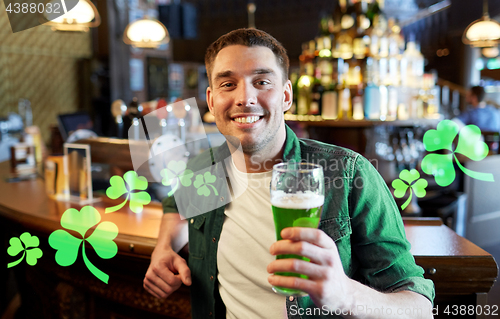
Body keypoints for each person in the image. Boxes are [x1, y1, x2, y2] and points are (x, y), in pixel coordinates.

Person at [143, 28, 434, 318]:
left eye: (262, 81)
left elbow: (418, 307)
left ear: (285, 96)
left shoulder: (348, 174)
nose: (245, 97)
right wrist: (164, 248)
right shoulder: (204, 169)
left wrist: (345, 295)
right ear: (211, 101)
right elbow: (175, 206)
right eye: (228, 84)